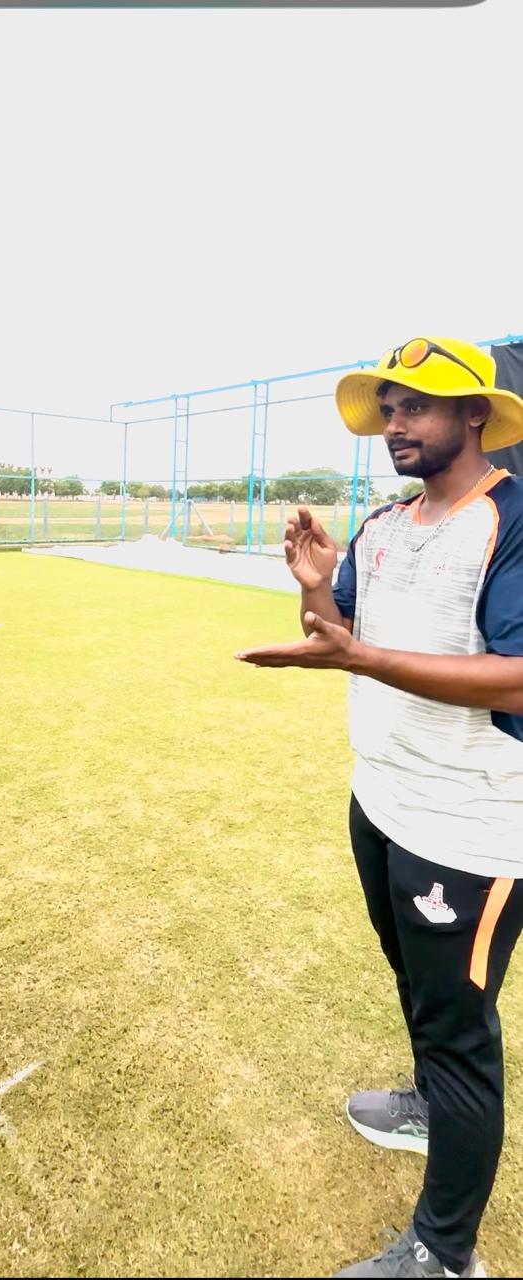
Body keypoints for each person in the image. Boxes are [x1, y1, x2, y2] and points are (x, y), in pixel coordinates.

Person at [236, 337, 523, 1279]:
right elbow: (338, 637)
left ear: (475, 414)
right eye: (388, 408)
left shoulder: (512, 519)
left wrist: (356, 655)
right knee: (417, 986)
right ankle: (428, 1107)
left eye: (416, 406)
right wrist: (318, 588)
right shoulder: (385, 522)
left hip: (473, 824)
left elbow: (518, 678)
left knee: (460, 1033)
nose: (395, 424)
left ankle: (445, 1255)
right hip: (384, 797)